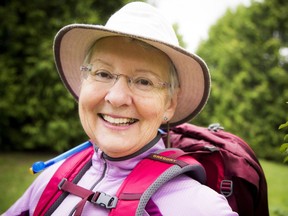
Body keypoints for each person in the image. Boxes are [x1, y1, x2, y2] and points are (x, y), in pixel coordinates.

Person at [3, 2, 238, 216]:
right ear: (84, 81)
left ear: (170, 104)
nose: (116, 98)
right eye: (103, 74)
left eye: (144, 81)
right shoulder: (51, 180)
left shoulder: (197, 207)